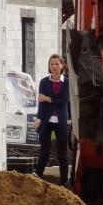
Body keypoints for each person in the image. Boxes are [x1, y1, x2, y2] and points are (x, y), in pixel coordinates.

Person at [33, 54, 71, 186]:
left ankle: (64, 182)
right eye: (51, 64)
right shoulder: (44, 82)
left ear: (62, 65)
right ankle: (36, 178)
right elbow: (41, 102)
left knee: (62, 154)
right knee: (44, 152)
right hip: (46, 120)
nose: (54, 66)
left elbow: (63, 101)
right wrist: (38, 118)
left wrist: (48, 99)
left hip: (61, 121)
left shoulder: (67, 82)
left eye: (56, 64)